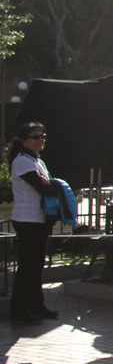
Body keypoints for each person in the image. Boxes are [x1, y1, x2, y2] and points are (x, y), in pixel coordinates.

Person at [7, 122, 61, 324]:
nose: (41, 139)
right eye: (35, 136)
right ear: (23, 141)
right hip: (26, 218)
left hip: (39, 219)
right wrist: (48, 186)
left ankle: (37, 305)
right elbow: (42, 186)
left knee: (37, 265)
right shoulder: (22, 161)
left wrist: (50, 185)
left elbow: (49, 185)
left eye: (43, 135)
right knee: (27, 266)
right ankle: (20, 310)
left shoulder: (38, 161)